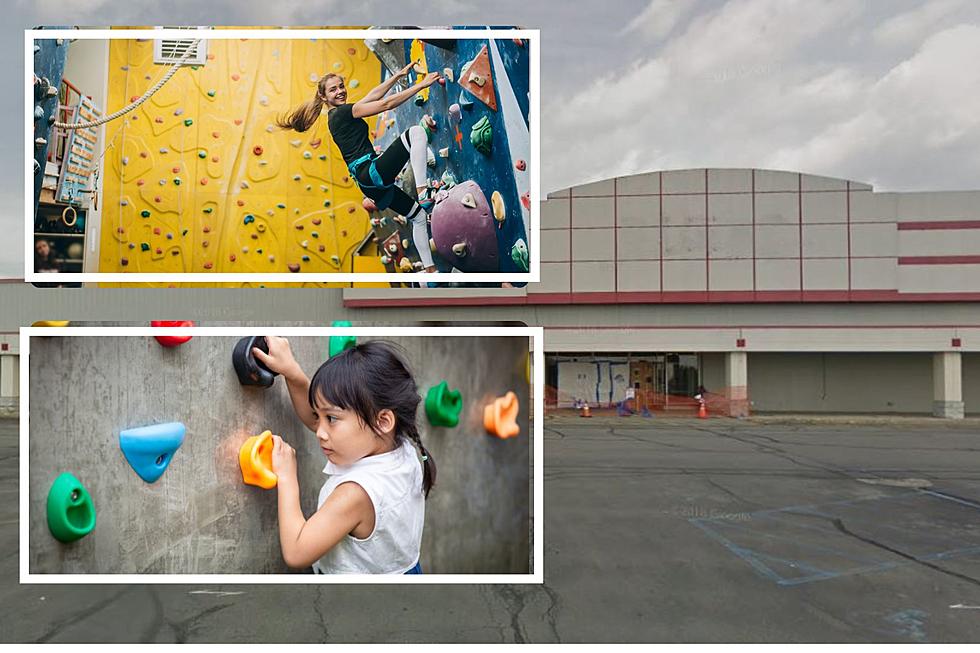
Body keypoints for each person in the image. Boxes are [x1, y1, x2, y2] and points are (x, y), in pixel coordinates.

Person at [253, 337, 436, 574]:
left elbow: (297, 551)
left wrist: (287, 477)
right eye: (319, 416)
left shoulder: (356, 494)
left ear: (383, 421)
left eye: (331, 419)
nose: (319, 431)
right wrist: (293, 374)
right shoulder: (403, 448)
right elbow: (324, 417)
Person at [276, 63, 442, 274]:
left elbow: (372, 96)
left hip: (369, 185)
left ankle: (431, 272)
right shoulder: (342, 113)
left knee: (418, 217)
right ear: (324, 97)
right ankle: (423, 191)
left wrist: (396, 76)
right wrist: (421, 85)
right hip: (370, 172)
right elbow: (386, 104)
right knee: (417, 133)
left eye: (341, 86)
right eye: (333, 89)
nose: (340, 91)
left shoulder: (336, 116)